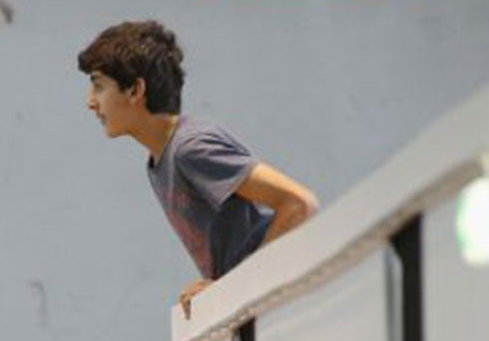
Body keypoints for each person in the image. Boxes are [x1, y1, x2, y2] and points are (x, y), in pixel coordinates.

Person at [78, 20, 320, 316]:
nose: (90, 102)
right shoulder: (159, 160)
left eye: (99, 86)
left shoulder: (191, 147)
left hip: (292, 301)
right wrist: (221, 286)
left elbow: (299, 203)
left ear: (135, 90)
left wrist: (233, 286)